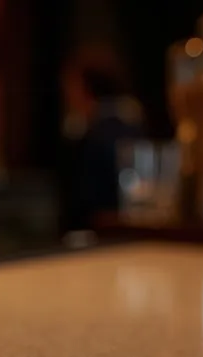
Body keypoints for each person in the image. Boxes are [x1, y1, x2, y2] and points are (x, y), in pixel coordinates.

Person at [59, 47, 143, 232]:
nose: (68, 95)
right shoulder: (133, 126)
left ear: (86, 89)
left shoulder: (95, 136)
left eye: (72, 86)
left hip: (102, 237)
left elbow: (84, 206)